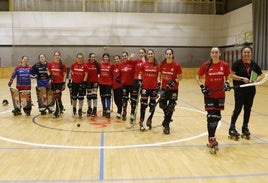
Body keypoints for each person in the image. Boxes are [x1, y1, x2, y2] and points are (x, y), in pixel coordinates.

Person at [196, 47, 230, 153]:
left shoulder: (224, 65)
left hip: (220, 95)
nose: (214, 54)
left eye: (216, 52)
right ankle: (212, 138)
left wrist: (227, 83)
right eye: (213, 52)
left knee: (217, 117)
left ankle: (212, 136)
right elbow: (198, 76)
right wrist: (202, 87)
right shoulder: (206, 65)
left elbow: (228, 76)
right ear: (210, 54)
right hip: (209, 95)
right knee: (211, 116)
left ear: (219, 54)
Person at [229, 45, 262, 140]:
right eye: (245, 52)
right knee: (238, 108)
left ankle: (245, 127)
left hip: (251, 90)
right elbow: (231, 75)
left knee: (248, 109)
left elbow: (260, 75)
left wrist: (256, 80)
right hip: (240, 90)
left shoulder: (254, 65)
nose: (247, 54)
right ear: (242, 53)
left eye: (248, 52)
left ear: (251, 53)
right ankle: (232, 127)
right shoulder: (237, 64)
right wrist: (242, 78)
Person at [159, 48, 182, 134]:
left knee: (171, 106)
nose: (168, 56)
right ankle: (167, 117)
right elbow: (159, 74)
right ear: (165, 55)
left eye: (170, 54)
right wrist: (159, 83)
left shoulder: (176, 65)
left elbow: (180, 77)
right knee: (162, 105)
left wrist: (174, 81)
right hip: (164, 88)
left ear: (172, 55)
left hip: (173, 89)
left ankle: (166, 124)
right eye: (167, 54)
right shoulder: (162, 64)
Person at [138, 49, 160, 131]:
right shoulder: (144, 64)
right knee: (143, 105)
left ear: (154, 55)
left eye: (152, 53)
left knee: (152, 106)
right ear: (147, 55)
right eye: (149, 54)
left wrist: (159, 84)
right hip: (145, 88)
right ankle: (141, 120)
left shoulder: (157, 65)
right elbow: (140, 74)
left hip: (154, 88)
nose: (150, 55)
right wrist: (140, 81)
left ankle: (149, 120)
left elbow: (158, 76)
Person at [117, 51, 137, 121]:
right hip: (124, 85)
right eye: (123, 56)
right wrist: (118, 78)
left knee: (133, 100)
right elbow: (119, 74)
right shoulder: (120, 65)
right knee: (125, 100)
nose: (124, 57)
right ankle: (124, 112)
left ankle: (132, 113)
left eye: (125, 55)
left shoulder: (132, 63)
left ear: (127, 56)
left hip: (133, 85)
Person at [47, 51, 67, 118]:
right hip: (53, 82)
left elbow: (64, 75)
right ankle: (61, 107)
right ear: (54, 56)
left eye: (58, 55)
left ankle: (57, 111)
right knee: (56, 97)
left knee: (57, 96)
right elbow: (48, 70)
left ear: (60, 56)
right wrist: (50, 77)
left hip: (59, 82)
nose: (57, 56)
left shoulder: (62, 65)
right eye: (55, 55)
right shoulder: (50, 64)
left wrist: (64, 83)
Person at [68, 53, 88, 118]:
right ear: (76, 58)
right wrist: (69, 81)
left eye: (81, 58)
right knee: (74, 97)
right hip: (74, 83)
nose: (80, 59)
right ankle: (74, 109)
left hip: (81, 83)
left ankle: (80, 109)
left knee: (81, 97)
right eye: (78, 58)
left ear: (83, 59)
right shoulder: (73, 64)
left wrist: (83, 83)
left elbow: (86, 75)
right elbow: (70, 73)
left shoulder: (85, 65)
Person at [129, 48, 147, 122]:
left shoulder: (147, 61)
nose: (141, 54)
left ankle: (142, 118)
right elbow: (128, 60)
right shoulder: (137, 61)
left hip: (144, 82)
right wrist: (131, 56)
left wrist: (144, 61)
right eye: (140, 53)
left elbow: (146, 67)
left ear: (145, 53)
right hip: (136, 81)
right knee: (134, 99)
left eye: (142, 53)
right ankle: (132, 114)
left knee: (143, 100)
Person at [99, 53, 114, 118]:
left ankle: (108, 110)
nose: (105, 58)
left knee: (108, 97)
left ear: (109, 58)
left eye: (107, 57)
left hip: (109, 83)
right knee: (102, 97)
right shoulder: (100, 64)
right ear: (103, 58)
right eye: (104, 57)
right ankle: (104, 109)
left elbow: (113, 74)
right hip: (101, 83)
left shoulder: (111, 65)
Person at [85, 53, 99, 117]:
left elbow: (99, 73)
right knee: (89, 97)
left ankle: (95, 109)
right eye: (92, 57)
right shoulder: (86, 64)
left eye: (94, 57)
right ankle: (89, 108)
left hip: (95, 82)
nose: (93, 58)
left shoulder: (97, 65)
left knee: (94, 96)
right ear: (89, 57)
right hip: (88, 82)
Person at [112, 55, 123, 119]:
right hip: (114, 86)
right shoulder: (114, 67)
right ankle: (119, 109)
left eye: (117, 59)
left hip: (120, 86)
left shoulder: (121, 66)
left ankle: (119, 112)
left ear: (119, 59)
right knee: (116, 100)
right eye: (115, 59)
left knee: (119, 100)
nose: (116, 60)